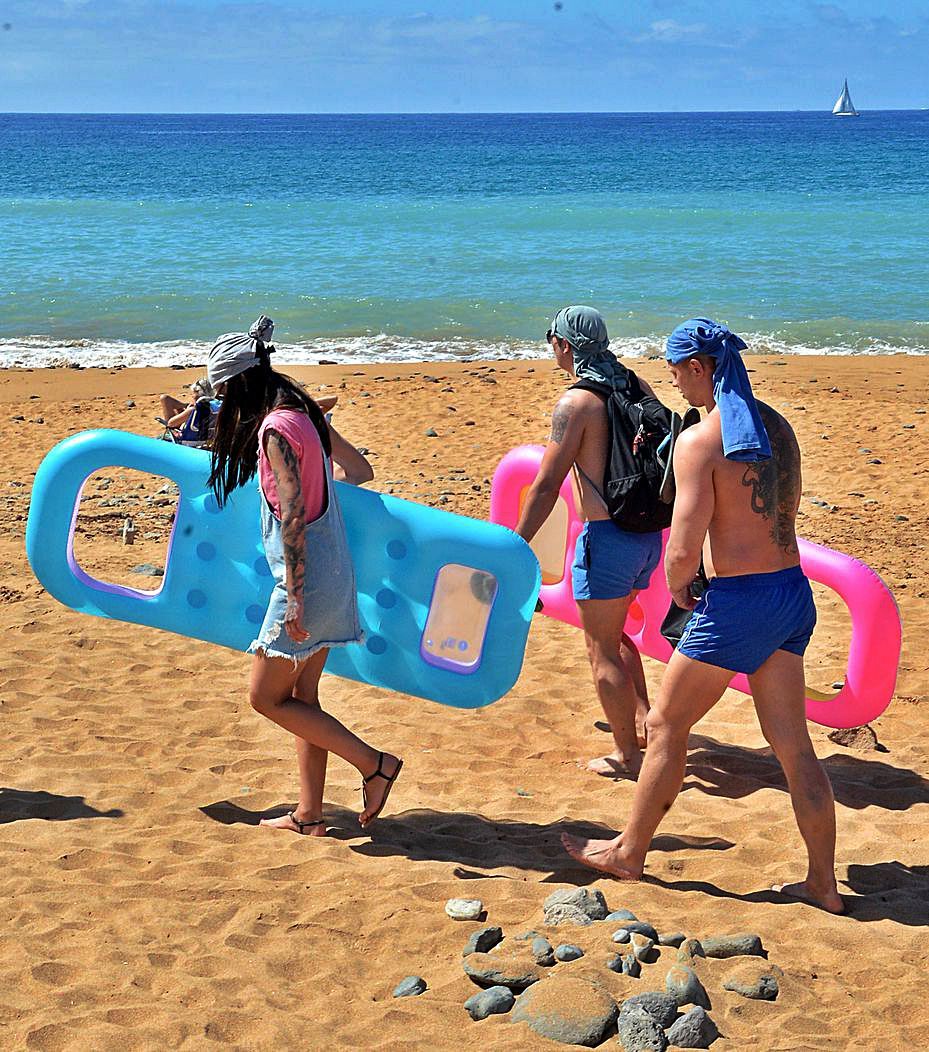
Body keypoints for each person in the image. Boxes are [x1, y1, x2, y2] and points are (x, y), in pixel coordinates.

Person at [562, 318, 843, 914]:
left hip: (738, 603)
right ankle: (824, 884)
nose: (673, 384)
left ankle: (628, 852)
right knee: (793, 745)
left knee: (665, 725)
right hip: (790, 595)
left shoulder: (701, 440)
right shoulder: (778, 427)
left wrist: (684, 594)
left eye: (675, 370)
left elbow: (683, 550)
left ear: (699, 367)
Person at [207, 315, 402, 836]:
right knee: (303, 701)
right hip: (336, 574)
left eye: (222, 396)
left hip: (307, 583)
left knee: (265, 698)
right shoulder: (304, 415)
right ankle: (310, 815)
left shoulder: (273, 430)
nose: (223, 408)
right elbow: (359, 471)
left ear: (235, 385)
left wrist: (293, 598)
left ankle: (374, 764)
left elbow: (291, 515)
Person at [515, 306, 663, 779]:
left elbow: (544, 486)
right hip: (646, 536)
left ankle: (626, 756)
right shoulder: (636, 385)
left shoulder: (576, 404)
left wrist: (516, 544)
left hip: (607, 541)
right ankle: (643, 722)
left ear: (564, 345)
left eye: (551, 340)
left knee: (601, 650)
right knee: (617, 634)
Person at [158, 378, 221, 446]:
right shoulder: (218, 405)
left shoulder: (195, 409)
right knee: (165, 399)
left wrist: (188, 410)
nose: (192, 396)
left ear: (198, 393)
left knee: (161, 436)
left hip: (190, 441)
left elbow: (170, 423)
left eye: (193, 393)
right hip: (208, 438)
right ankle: (183, 405)